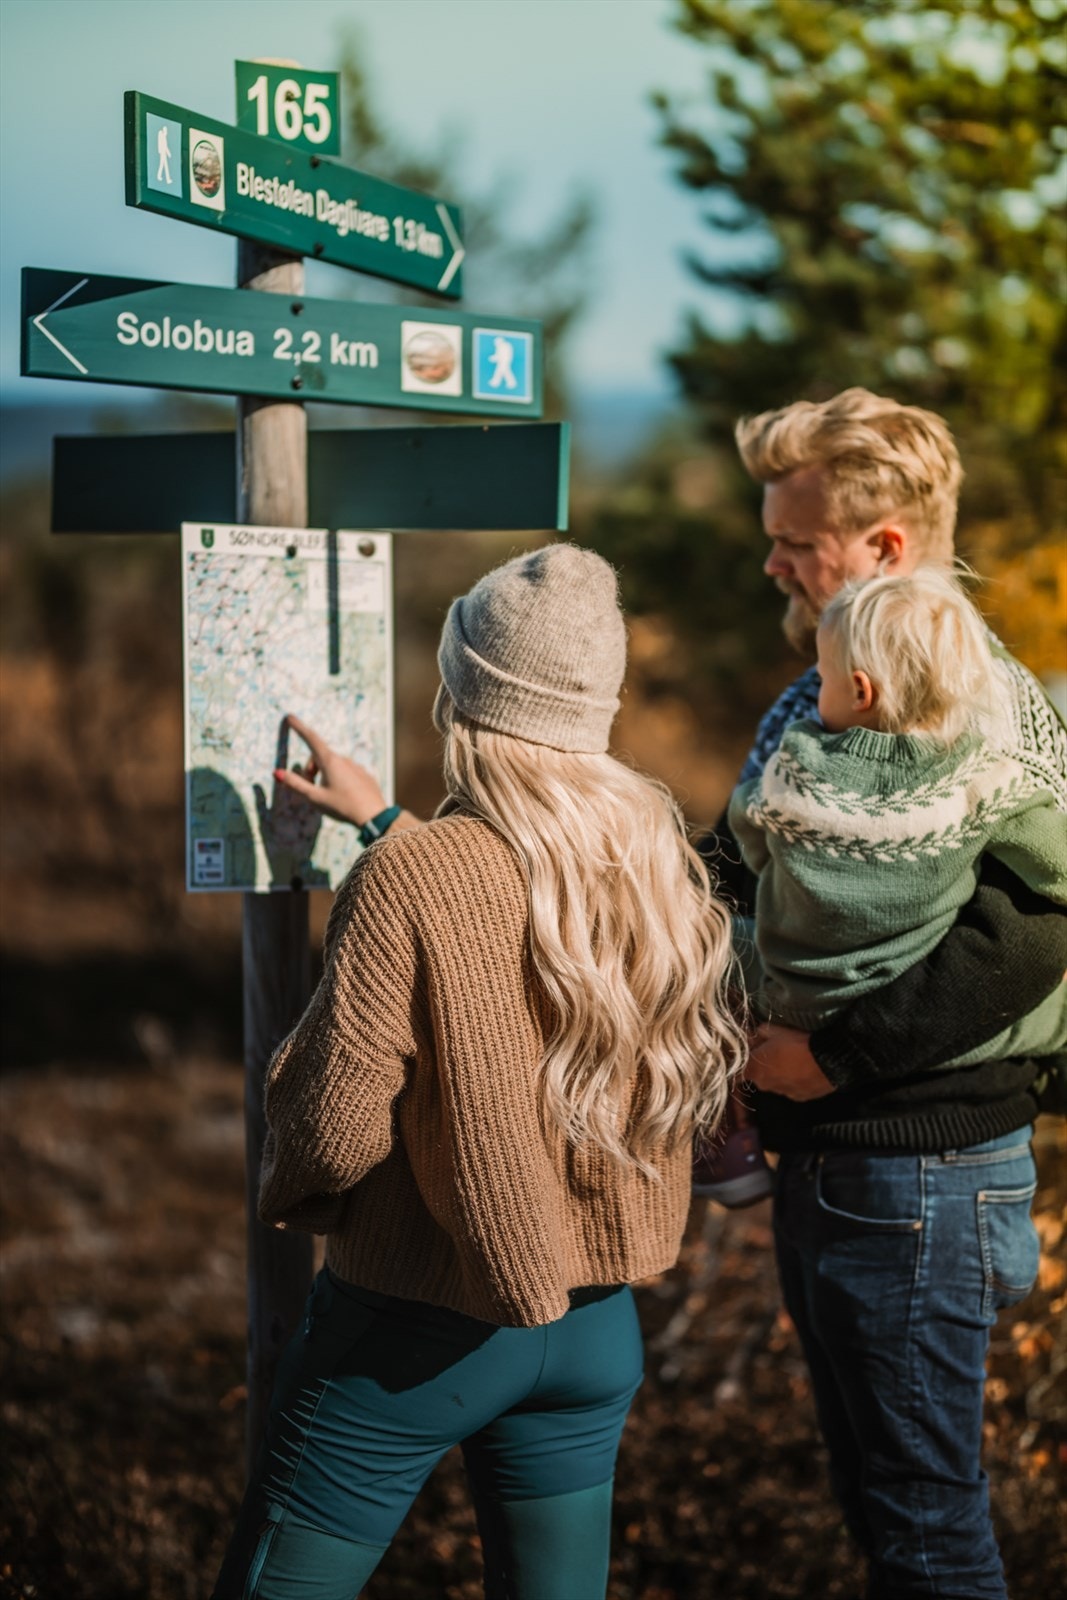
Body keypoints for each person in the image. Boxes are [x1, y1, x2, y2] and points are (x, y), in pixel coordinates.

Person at [211, 543, 746, 1600]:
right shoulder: (650, 860)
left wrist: (299, 1193)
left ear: (462, 698)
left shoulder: (409, 877)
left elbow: (333, 1130)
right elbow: (513, 917)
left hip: (411, 1324)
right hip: (594, 1330)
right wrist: (379, 817)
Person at [710, 389, 1067, 1600]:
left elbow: (1033, 932)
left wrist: (833, 1058)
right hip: (843, 1162)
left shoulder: (979, 703)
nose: (771, 561)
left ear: (883, 546)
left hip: (915, 1169)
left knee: (924, 1530)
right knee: (882, 1506)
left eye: (794, 540)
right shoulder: (827, 693)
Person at [729, 565, 1066, 1055]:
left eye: (822, 679)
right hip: (908, 1007)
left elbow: (747, 826)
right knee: (1051, 1017)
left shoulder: (795, 763)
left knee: (715, 948)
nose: (817, 694)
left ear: (860, 691)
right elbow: (1056, 862)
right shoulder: (984, 780)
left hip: (792, 999)